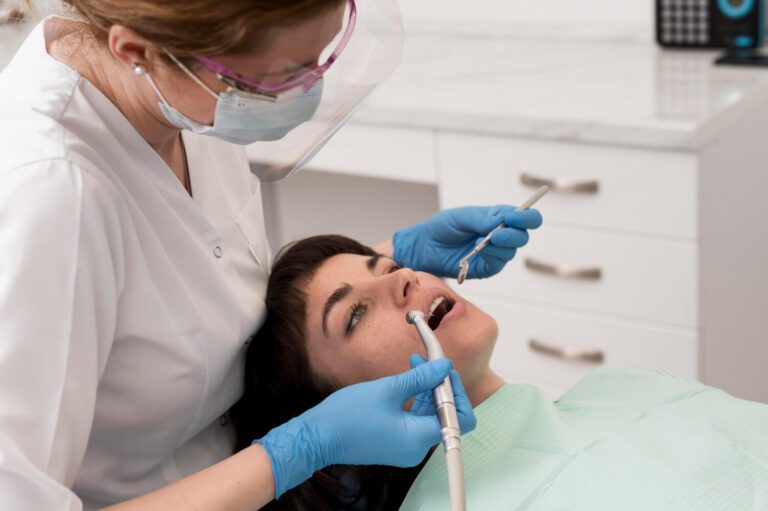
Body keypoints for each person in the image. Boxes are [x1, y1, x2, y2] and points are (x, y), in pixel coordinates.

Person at [0, 0, 544, 509]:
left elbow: (191, 292)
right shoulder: (47, 193)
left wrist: (386, 256)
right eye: (275, 78)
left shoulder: (190, 100)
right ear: (138, 53)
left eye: (316, 60)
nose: (305, 90)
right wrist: (295, 452)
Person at [232, 234, 768, 510]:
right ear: (336, 408)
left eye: (391, 268)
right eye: (355, 313)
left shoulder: (629, 388)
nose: (404, 282)